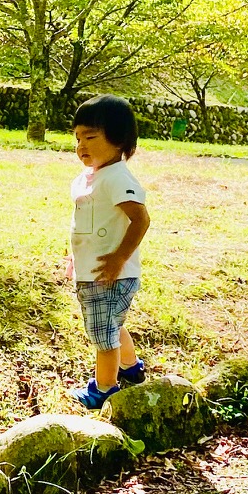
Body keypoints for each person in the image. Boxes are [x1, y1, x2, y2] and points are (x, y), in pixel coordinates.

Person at [67, 94, 151, 410]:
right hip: (96, 271)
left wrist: (119, 257)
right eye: (77, 138)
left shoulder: (117, 177)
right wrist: (76, 256)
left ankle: (105, 389)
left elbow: (140, 219)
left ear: (119, 141)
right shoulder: (91, 178)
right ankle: (131, 368)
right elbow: (86, 223)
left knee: (103, 336)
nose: (81, 146)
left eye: (91, 137)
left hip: (111, 274)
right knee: (112, 325)